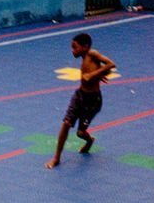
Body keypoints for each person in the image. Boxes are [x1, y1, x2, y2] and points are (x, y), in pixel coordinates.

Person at [46, 33, 116, 169]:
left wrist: (94, 75)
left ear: (85, 47)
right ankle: (56, 158)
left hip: (93, 101)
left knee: (80, 133)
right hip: (80, 96)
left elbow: (111, 64)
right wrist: (98, 74)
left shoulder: (93, 54)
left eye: (75, 47)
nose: (73, 51)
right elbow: (98, 70)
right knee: (66, 123)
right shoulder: (85, 58)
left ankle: (89, 140)